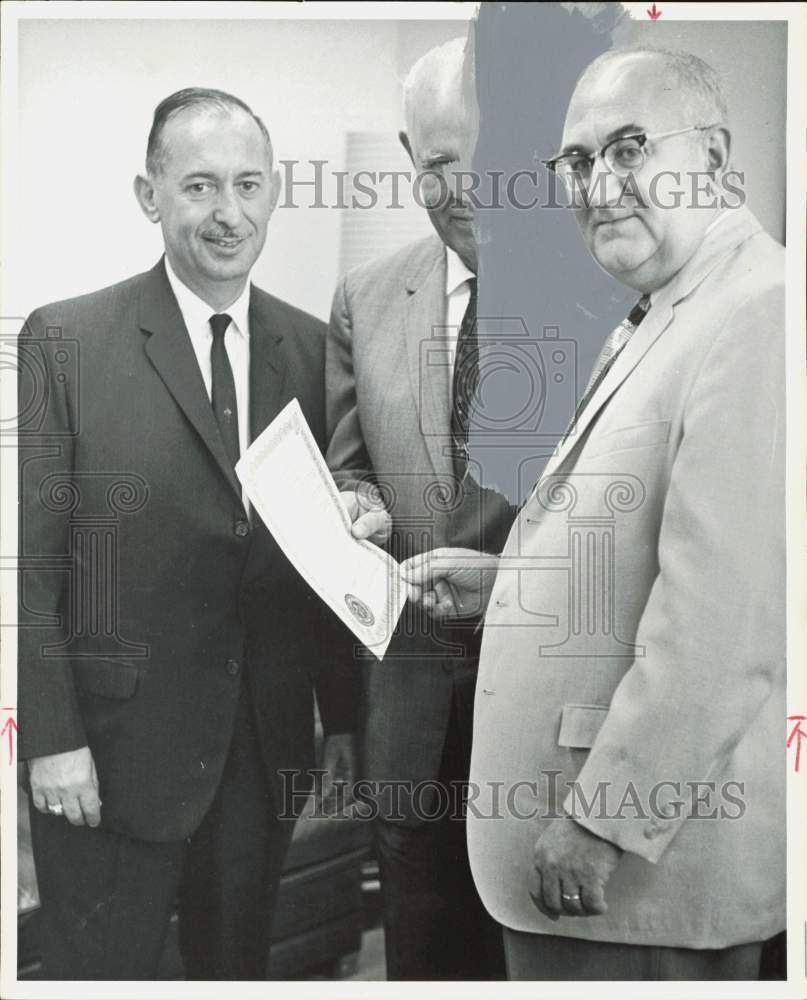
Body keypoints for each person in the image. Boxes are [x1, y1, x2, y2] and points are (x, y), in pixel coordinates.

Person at [405, 46, 785, 981]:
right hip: (598, 893)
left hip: (634, 884)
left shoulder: (759, 312)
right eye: (575, 162)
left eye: (627, 148)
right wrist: (508, 585)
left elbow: (726, 620)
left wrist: (602, 817)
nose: (598, 186)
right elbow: (647, 554)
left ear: (712, 155)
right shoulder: (670, 303)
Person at [17, 87, 370, 981]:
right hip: (107, 753)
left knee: (234, 971)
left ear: (274, 194)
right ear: (151, 195)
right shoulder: (67, 340)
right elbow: (31, 565)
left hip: (261, 750)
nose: (229, 213)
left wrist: (342, 719)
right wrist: (51, 739)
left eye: (249, 186)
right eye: (201, 186)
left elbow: (322, 556)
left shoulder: (311, 345)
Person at [326, 37, 511, 980]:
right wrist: (354, 513)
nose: (463, 184)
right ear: (408, 161)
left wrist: (511, 588)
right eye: (439, 163)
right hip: (406, 717)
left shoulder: (613, 294)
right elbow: (350, 469)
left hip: (544, 729)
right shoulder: (364, 297)